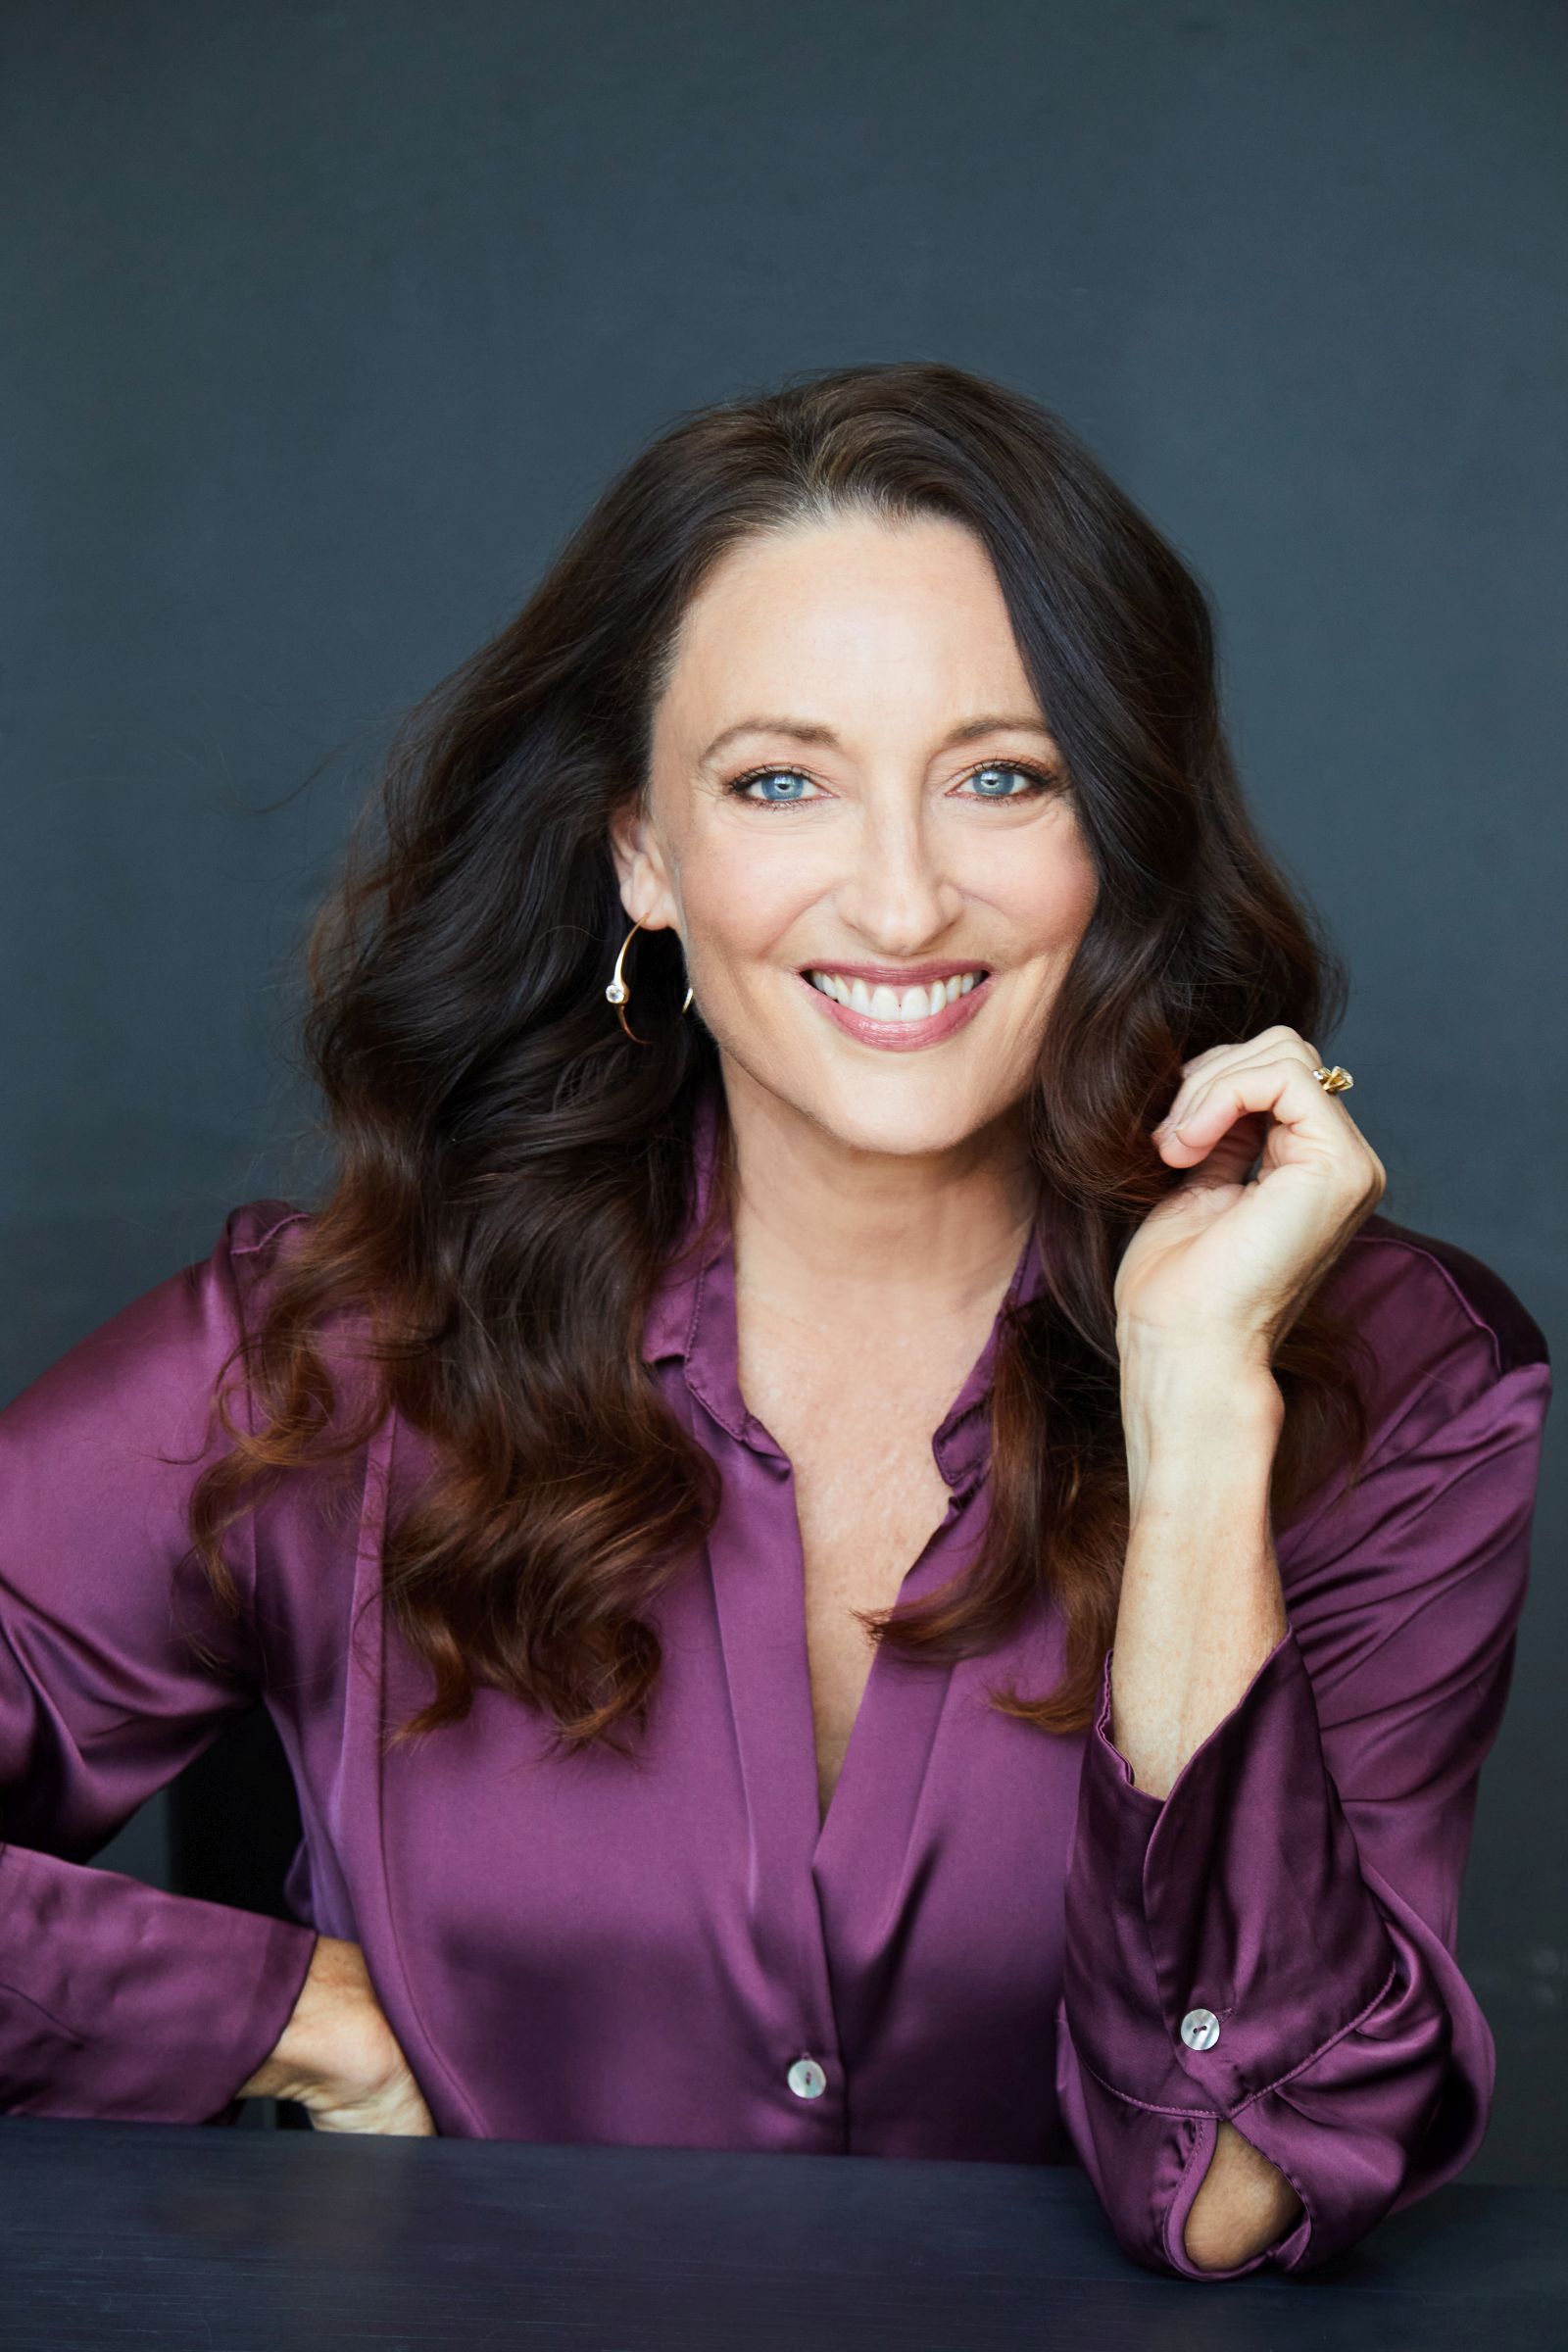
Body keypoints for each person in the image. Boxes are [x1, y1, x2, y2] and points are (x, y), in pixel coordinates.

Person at [0, 362, 1550, 2284]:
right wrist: (264, 2012)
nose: (898, 900)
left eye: (1002, 776)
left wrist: (1196, 1414)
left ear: (1116, 837)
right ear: (640, 852)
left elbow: (1238, 2186)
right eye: (777, 781)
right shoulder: (332, 1357)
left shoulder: (1385, 1380)